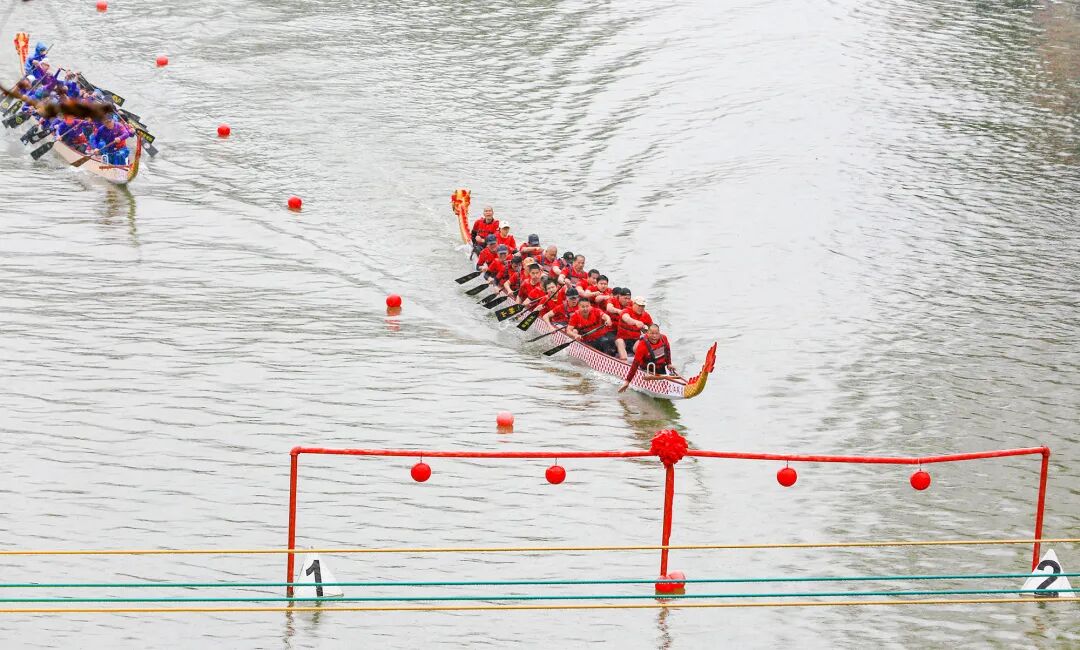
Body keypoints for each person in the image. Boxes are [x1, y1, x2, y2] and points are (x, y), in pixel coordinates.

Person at [618, 324, 682, 392]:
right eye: (652, 333)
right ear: (647, 334)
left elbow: (667, 351)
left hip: (661, 367)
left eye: (656, 333)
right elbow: (635, 363)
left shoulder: (664, 338)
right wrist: (627, 381)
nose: (654, 336)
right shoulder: (642, 344)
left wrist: (669, 363)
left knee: (666, 384)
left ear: (659, 333)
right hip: (647, 369)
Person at [615, 295, 652, 360]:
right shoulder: (626, 311)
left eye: (643, 306)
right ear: (634, 304)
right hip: (623, 339)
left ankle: (644, 362)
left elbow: (653, 329)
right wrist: (636, 322)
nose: (641, 308)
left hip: (635, 341)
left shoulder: (646, 315)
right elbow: (626, 319)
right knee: (619, 341)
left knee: (645, 340)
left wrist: (648, 332)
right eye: (639, 306)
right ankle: (624, 361)